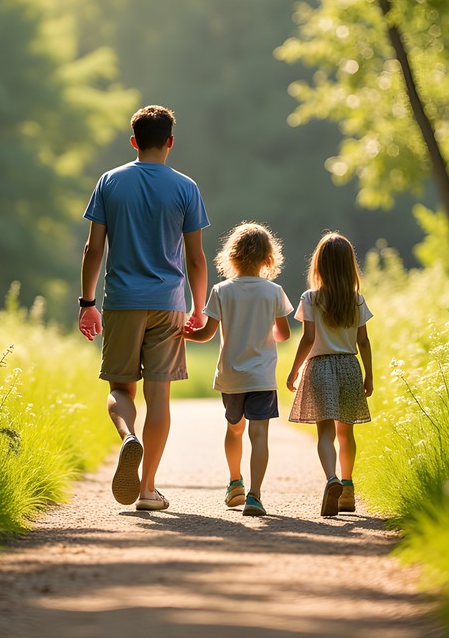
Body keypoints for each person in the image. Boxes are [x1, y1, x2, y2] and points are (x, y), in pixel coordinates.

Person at [79, 105, 209, 512]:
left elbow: (93, 248)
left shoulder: (110, 182)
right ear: (170, 141)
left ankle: (127, 437)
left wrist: (87, 303)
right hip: (169, 304)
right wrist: (198, 308)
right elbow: (196, 260)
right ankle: (148, 489)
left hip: (121, 302)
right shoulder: (186, 187)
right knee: (160, 397)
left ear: (134, 141)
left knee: (120, 388)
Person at [185, 222, 292, 517]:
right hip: (261, 376)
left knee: (234, 430)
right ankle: (255, 496)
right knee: (259, 434)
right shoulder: (274, 292)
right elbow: (283, 335)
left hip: (231, 376)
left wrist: (184, 334)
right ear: (268, 258)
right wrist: (266, 324)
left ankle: (235, 483)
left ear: (231, 257)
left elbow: (206, 334)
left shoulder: (221, 291)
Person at [286, 231, 374, 517]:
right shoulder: (356, 300)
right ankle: (347, 489)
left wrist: (294, 369)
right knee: (345, 433)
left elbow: (308, 338)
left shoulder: (310, 298)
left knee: (325, 433)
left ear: (319, 265)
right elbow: (363, 341)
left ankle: (331, 479)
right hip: (350, 367)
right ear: (350, 265)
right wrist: (369, 375)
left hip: (320, 367)